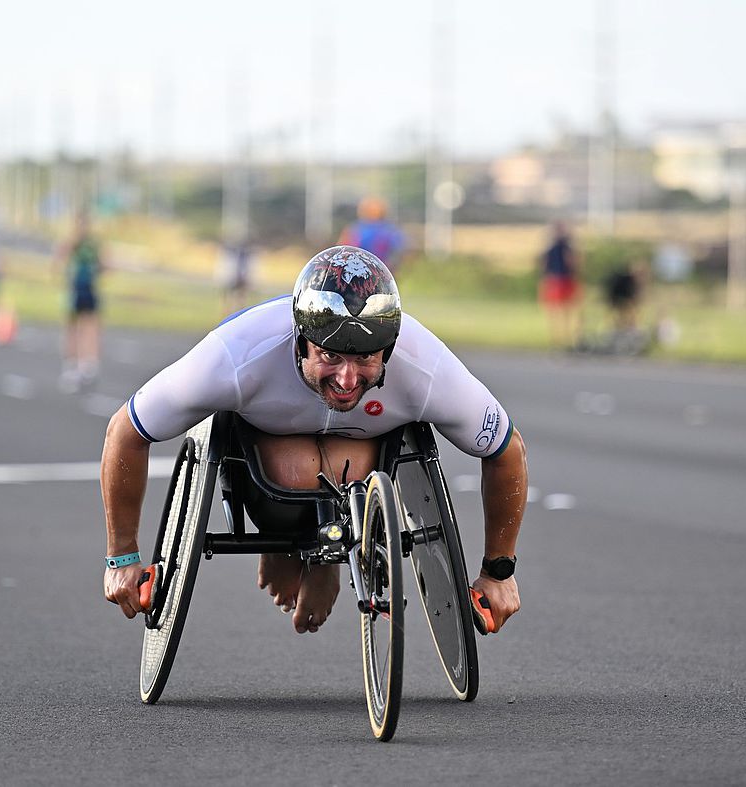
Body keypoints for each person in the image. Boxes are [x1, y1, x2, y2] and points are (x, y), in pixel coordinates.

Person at [101, 246, 527, 636]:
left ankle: (328, 556)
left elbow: (507, 450)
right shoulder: (236, 355)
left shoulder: (426, 367)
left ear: (390, 348)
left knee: (336, 463)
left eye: (365, 359)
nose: (346, 379)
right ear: (302, 341)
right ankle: (289, 546)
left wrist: (499, 571)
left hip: (359, 473)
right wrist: (122, 558)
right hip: (266, 471)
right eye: (330, 357)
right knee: (296, 467)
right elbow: (126, 430)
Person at [57, 212, 103, 391]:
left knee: (90, 326)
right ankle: (71, 365)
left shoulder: (92, 245)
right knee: (72, 328)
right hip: (75, 290)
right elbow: (59, 259)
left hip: (88, 289)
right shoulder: (72, 243)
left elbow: (104, 264)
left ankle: (88, 364)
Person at [537, 221, 582, 350]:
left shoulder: (552, 248)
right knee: (563, 311)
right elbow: (573, 263)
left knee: (559, 311)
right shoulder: (565, 247)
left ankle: (560, 339)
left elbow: (543, 265)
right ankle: (563, 339)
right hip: (560, 280)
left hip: (557, 280)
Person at [338, 196, 405, 272]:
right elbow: (342, 250)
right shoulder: (355, 229)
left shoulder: (389, 231)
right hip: (358, 270)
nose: (373, 212)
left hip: (383, 271)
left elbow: (399, 250)